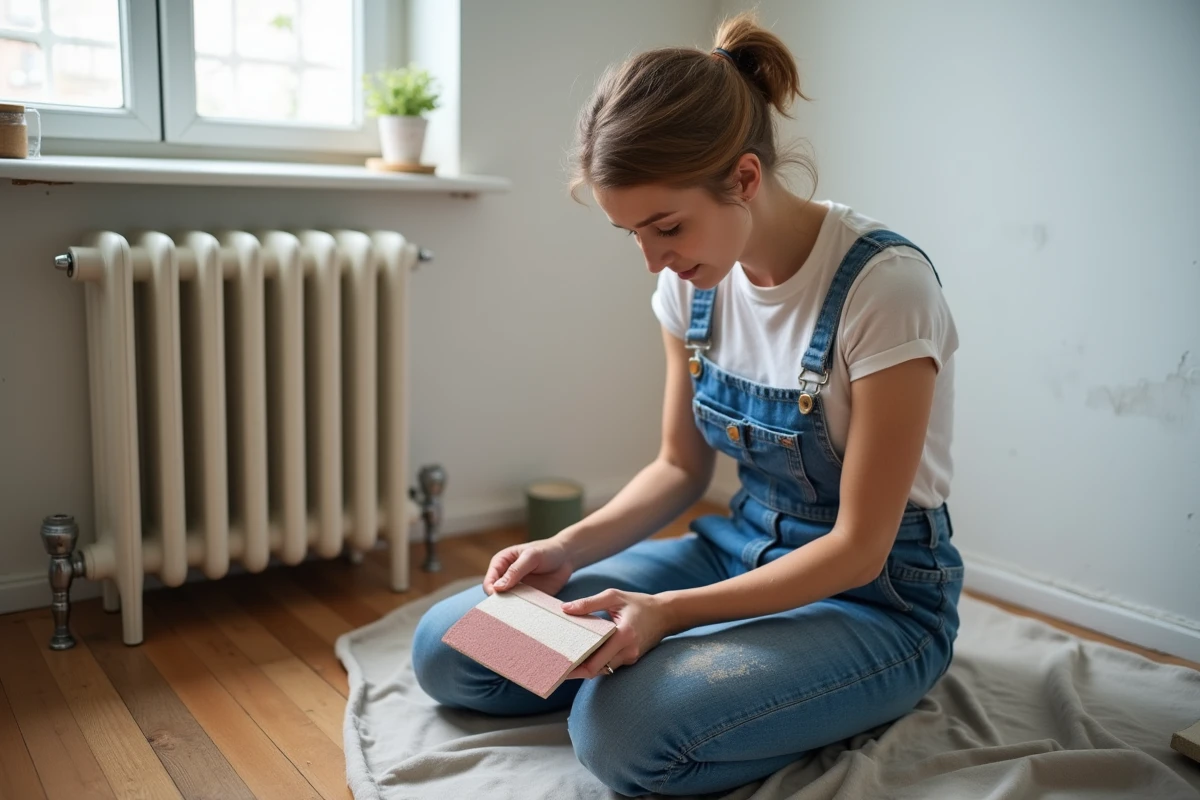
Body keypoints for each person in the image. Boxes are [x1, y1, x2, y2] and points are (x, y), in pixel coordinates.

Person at [412, 12, 964, 797]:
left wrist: (670, 614)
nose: (652, 261)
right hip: (735, 549)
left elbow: (859, 549)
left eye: (666, 227)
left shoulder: (886, 290)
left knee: (622, 733)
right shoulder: (688, 286)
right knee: (453, 643)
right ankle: (714, 667)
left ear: (744, 178)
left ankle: (717, 678)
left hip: (875, 599)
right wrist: (568, 550)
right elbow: (678, 467)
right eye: (630, 233)